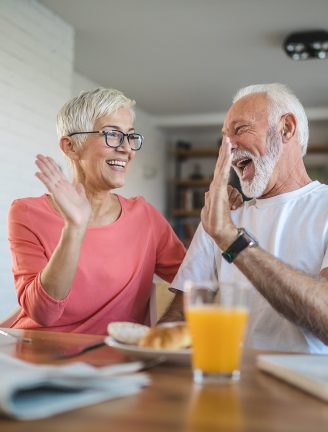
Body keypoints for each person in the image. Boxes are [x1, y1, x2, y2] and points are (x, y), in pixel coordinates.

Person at [7, 87, 188, 335]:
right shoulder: (26, 212)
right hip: (37, 358)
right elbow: (43, 314)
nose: (126, 149)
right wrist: (74, 229)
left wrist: (164, 328)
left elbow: (196, 279)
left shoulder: (145, 217)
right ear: (70, 146)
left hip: (114, 363)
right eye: (112, 135)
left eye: (130, 137)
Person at [163, 83, 328, 353]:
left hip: (309, 389)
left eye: (240, 130)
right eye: (225, 138)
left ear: (286, 128)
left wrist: (231, 240)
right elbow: (180, 319)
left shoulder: (224, 228)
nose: (228, 148)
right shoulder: (222, 217)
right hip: (230, 380)